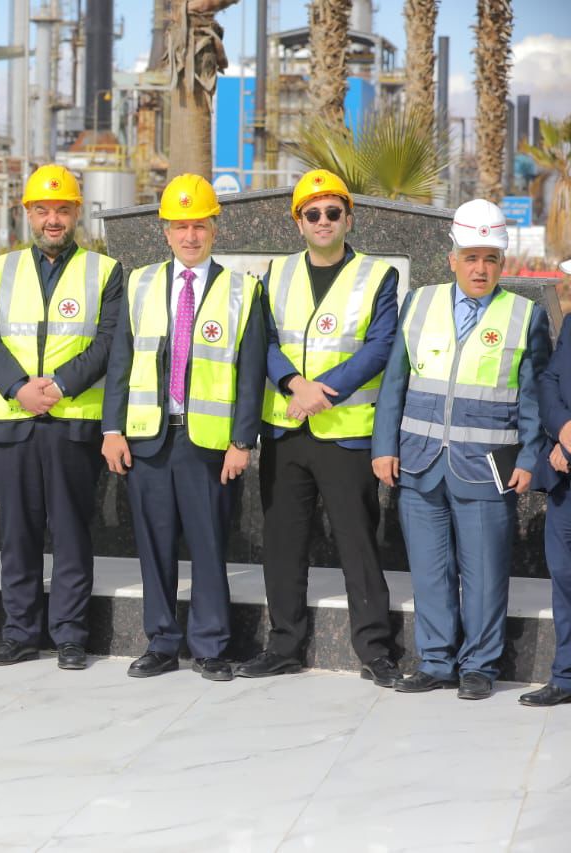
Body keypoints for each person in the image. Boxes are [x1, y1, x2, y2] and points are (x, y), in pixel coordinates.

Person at [372, 199, 549, 700]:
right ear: (452, 258)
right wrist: (384, 446)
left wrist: (530, 458)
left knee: (485, 574)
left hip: (488, 469)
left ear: (502, 263)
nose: (480, 268)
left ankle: (480, 666)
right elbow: (394, 382)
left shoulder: (524, 316)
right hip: (420, 462)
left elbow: (533, 399)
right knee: (430, 572)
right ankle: (435, 661)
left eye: (490, 259)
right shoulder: (419, 303)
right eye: (471, 257)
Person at [236, 170, 402, 687]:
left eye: (333, 212)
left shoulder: (377, 276)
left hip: (346, 431)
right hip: (286, 431)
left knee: (358, 545)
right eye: (313, 213)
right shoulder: (276, 273)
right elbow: (262, 339)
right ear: (299, 222)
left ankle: (375, 649)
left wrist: (320, 392)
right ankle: (283, 645)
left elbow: (380, 346)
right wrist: (292, 383)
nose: (323, 221)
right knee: (283, 545)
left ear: (349, 218)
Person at [102, 173, 266, 681]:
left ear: (215, 227)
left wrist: (242, 441)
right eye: (180, 226)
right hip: (148, 437)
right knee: (153, 547)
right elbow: (121, 362)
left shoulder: (242, 290)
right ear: (165, 231)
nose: (190, 236)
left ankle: (211, 645)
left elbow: (251, 372)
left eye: (199, 225)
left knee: (209, 545)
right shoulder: (141, 283)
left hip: (208, 444)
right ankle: (161, 643)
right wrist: (112, 430)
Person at [0, 164, 122, 670]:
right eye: (42, 210)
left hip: (72, 420)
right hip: (13, 420)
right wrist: (18, 387)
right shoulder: (0, 269)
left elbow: (108, 341)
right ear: (28, 214)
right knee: (17, 533)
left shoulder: (105, 271)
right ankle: (19, 633)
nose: (52, 220)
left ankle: (71, 635)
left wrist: (58, 386)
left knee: (72, 533)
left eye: (61, 210)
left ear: (77, 213)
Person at [522, 256, 571, 707]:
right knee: (563, 576)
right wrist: (562, 429)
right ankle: (565, 675)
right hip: (565, 480)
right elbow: (550, 380)